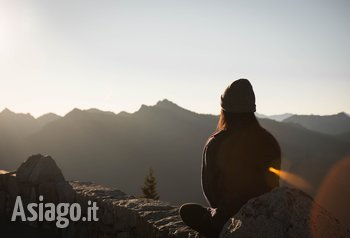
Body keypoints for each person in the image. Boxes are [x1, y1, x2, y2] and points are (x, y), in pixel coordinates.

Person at [179, 79, 281, 238]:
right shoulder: (269, 141)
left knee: (187, 211)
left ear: (224, 110)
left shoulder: (216, 143)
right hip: (265, 215)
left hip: (228, 220)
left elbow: (211, 193)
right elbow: (274, 184)